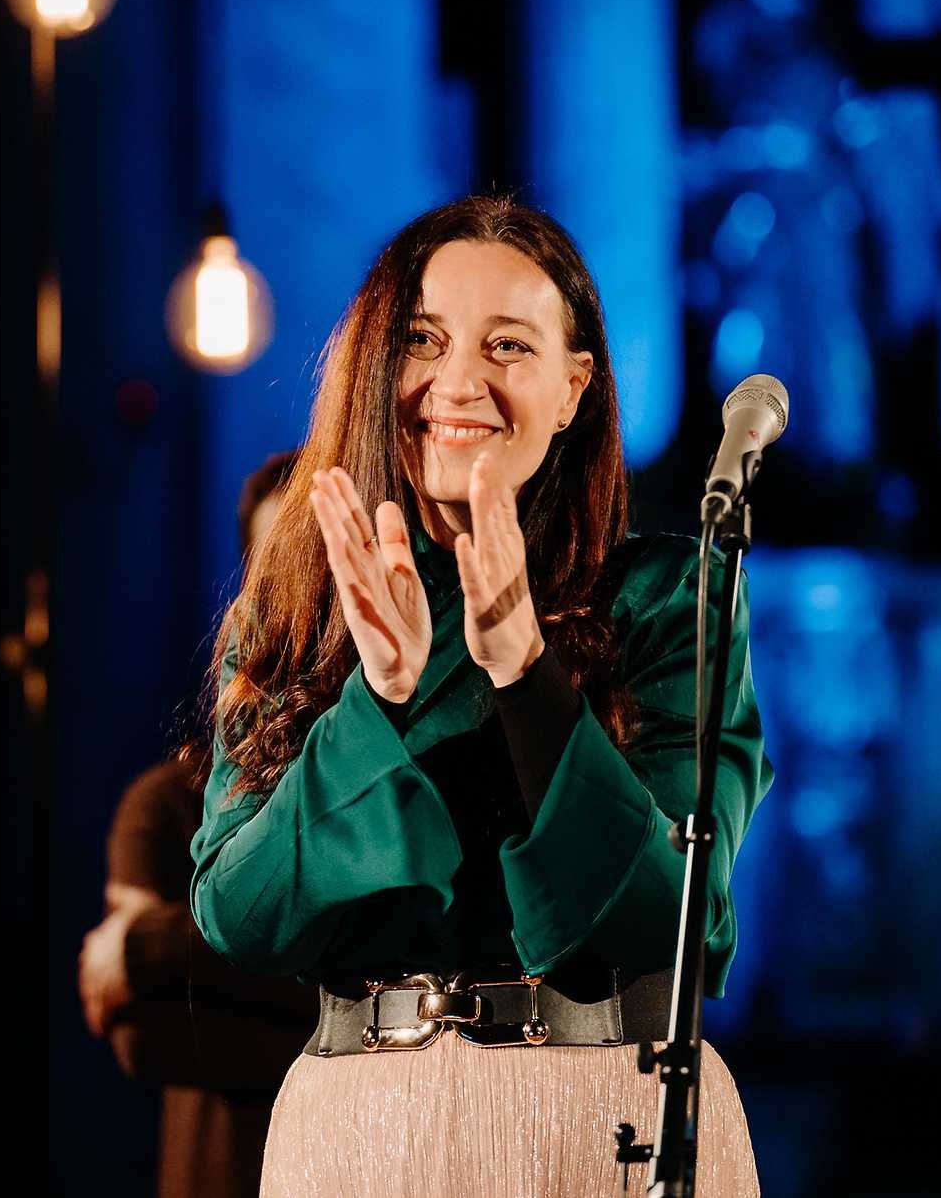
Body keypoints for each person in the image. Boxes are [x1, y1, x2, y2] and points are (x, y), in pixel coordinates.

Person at [186, 194, 772, 1196]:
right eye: (422, 340)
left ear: (573, 387)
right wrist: (377, 700)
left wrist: (523, 670)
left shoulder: (669, 596)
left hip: (603, 1117)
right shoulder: (300, 608)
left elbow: (668, 917)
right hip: (357, 1139)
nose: (457, 382)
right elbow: (238, 916)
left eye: (508, 346)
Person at [78, 450, 318, 1198]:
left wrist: (146, 945)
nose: (307, 593)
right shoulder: (165, 805)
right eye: (281, 566)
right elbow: (143, 1035)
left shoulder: (387, 776)